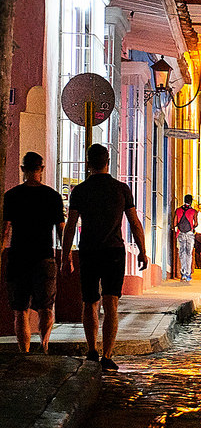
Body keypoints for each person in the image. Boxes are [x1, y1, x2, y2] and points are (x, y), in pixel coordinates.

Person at [61, 144, 147, 372]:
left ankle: (92, 350)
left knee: (89, 302)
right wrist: (142, 250)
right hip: (114, 252)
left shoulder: (80, 191)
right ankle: (107, 355)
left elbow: (70, 225)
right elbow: (134, 222)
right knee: (111, 304)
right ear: (108, 162)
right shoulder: (121, 189)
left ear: (88, 163)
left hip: (89, 251)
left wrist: (65, 256)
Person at [1, 152, 64, 354]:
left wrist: (1, 252)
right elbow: (61, 230)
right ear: (42, 169)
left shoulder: (11, 196)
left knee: (21, 310)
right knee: (46, 308)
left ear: (22, 169)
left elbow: (5, 230)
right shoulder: (53, 197)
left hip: (18, 258)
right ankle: (44, 346)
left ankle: (24, 352)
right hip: (44, 257)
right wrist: (67, 256)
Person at [174, 194, 198, 282]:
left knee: (182, 253)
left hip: (180, 233)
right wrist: (192, 227)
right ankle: (188, 274)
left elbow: (174, 223)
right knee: (189, 254)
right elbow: (196, 223)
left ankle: (183, 273)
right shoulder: (194, 211)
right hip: (189, 233)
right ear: (191, 201)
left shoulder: (178, 210)